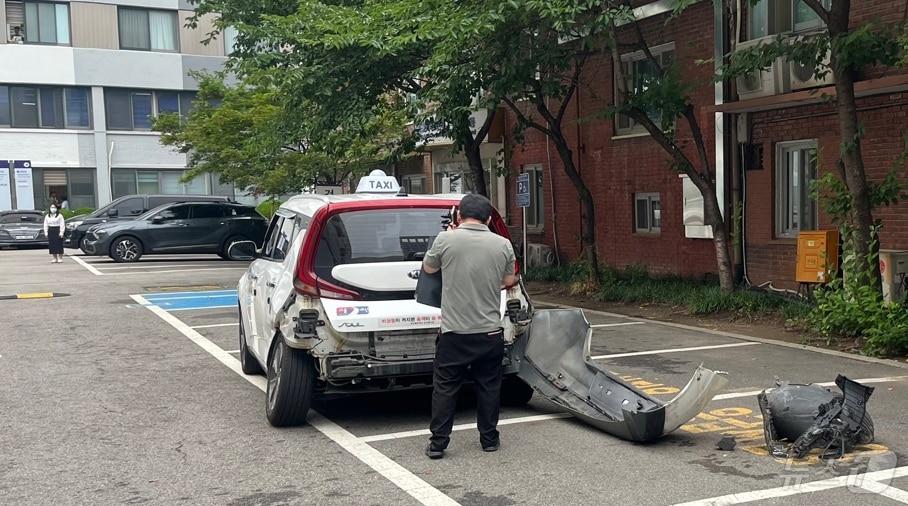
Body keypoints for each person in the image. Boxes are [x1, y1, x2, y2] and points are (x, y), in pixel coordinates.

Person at [421, 193, 518, 459]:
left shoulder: (445, 240)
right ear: (488, 218)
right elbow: (509, 280)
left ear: (459, 215)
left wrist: (449, 236)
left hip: (454, 332)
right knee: (489, 386)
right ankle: (489, 440)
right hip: (489, 331)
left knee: (445, 387)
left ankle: (438, 444)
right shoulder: (503, 244)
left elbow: (429, 269)